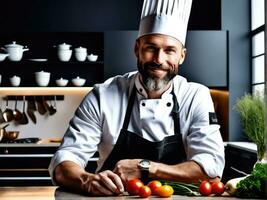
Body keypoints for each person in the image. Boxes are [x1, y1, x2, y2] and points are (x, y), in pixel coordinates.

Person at [49, 0, 225, 196]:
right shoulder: (103, 95)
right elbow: (65, 160)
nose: (159, 59)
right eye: (151, 47)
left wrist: (147, 168)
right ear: (137, 49)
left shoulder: (195, 96)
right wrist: (87, 180)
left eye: (169, 50)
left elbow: (211, 170)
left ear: (182, 56)